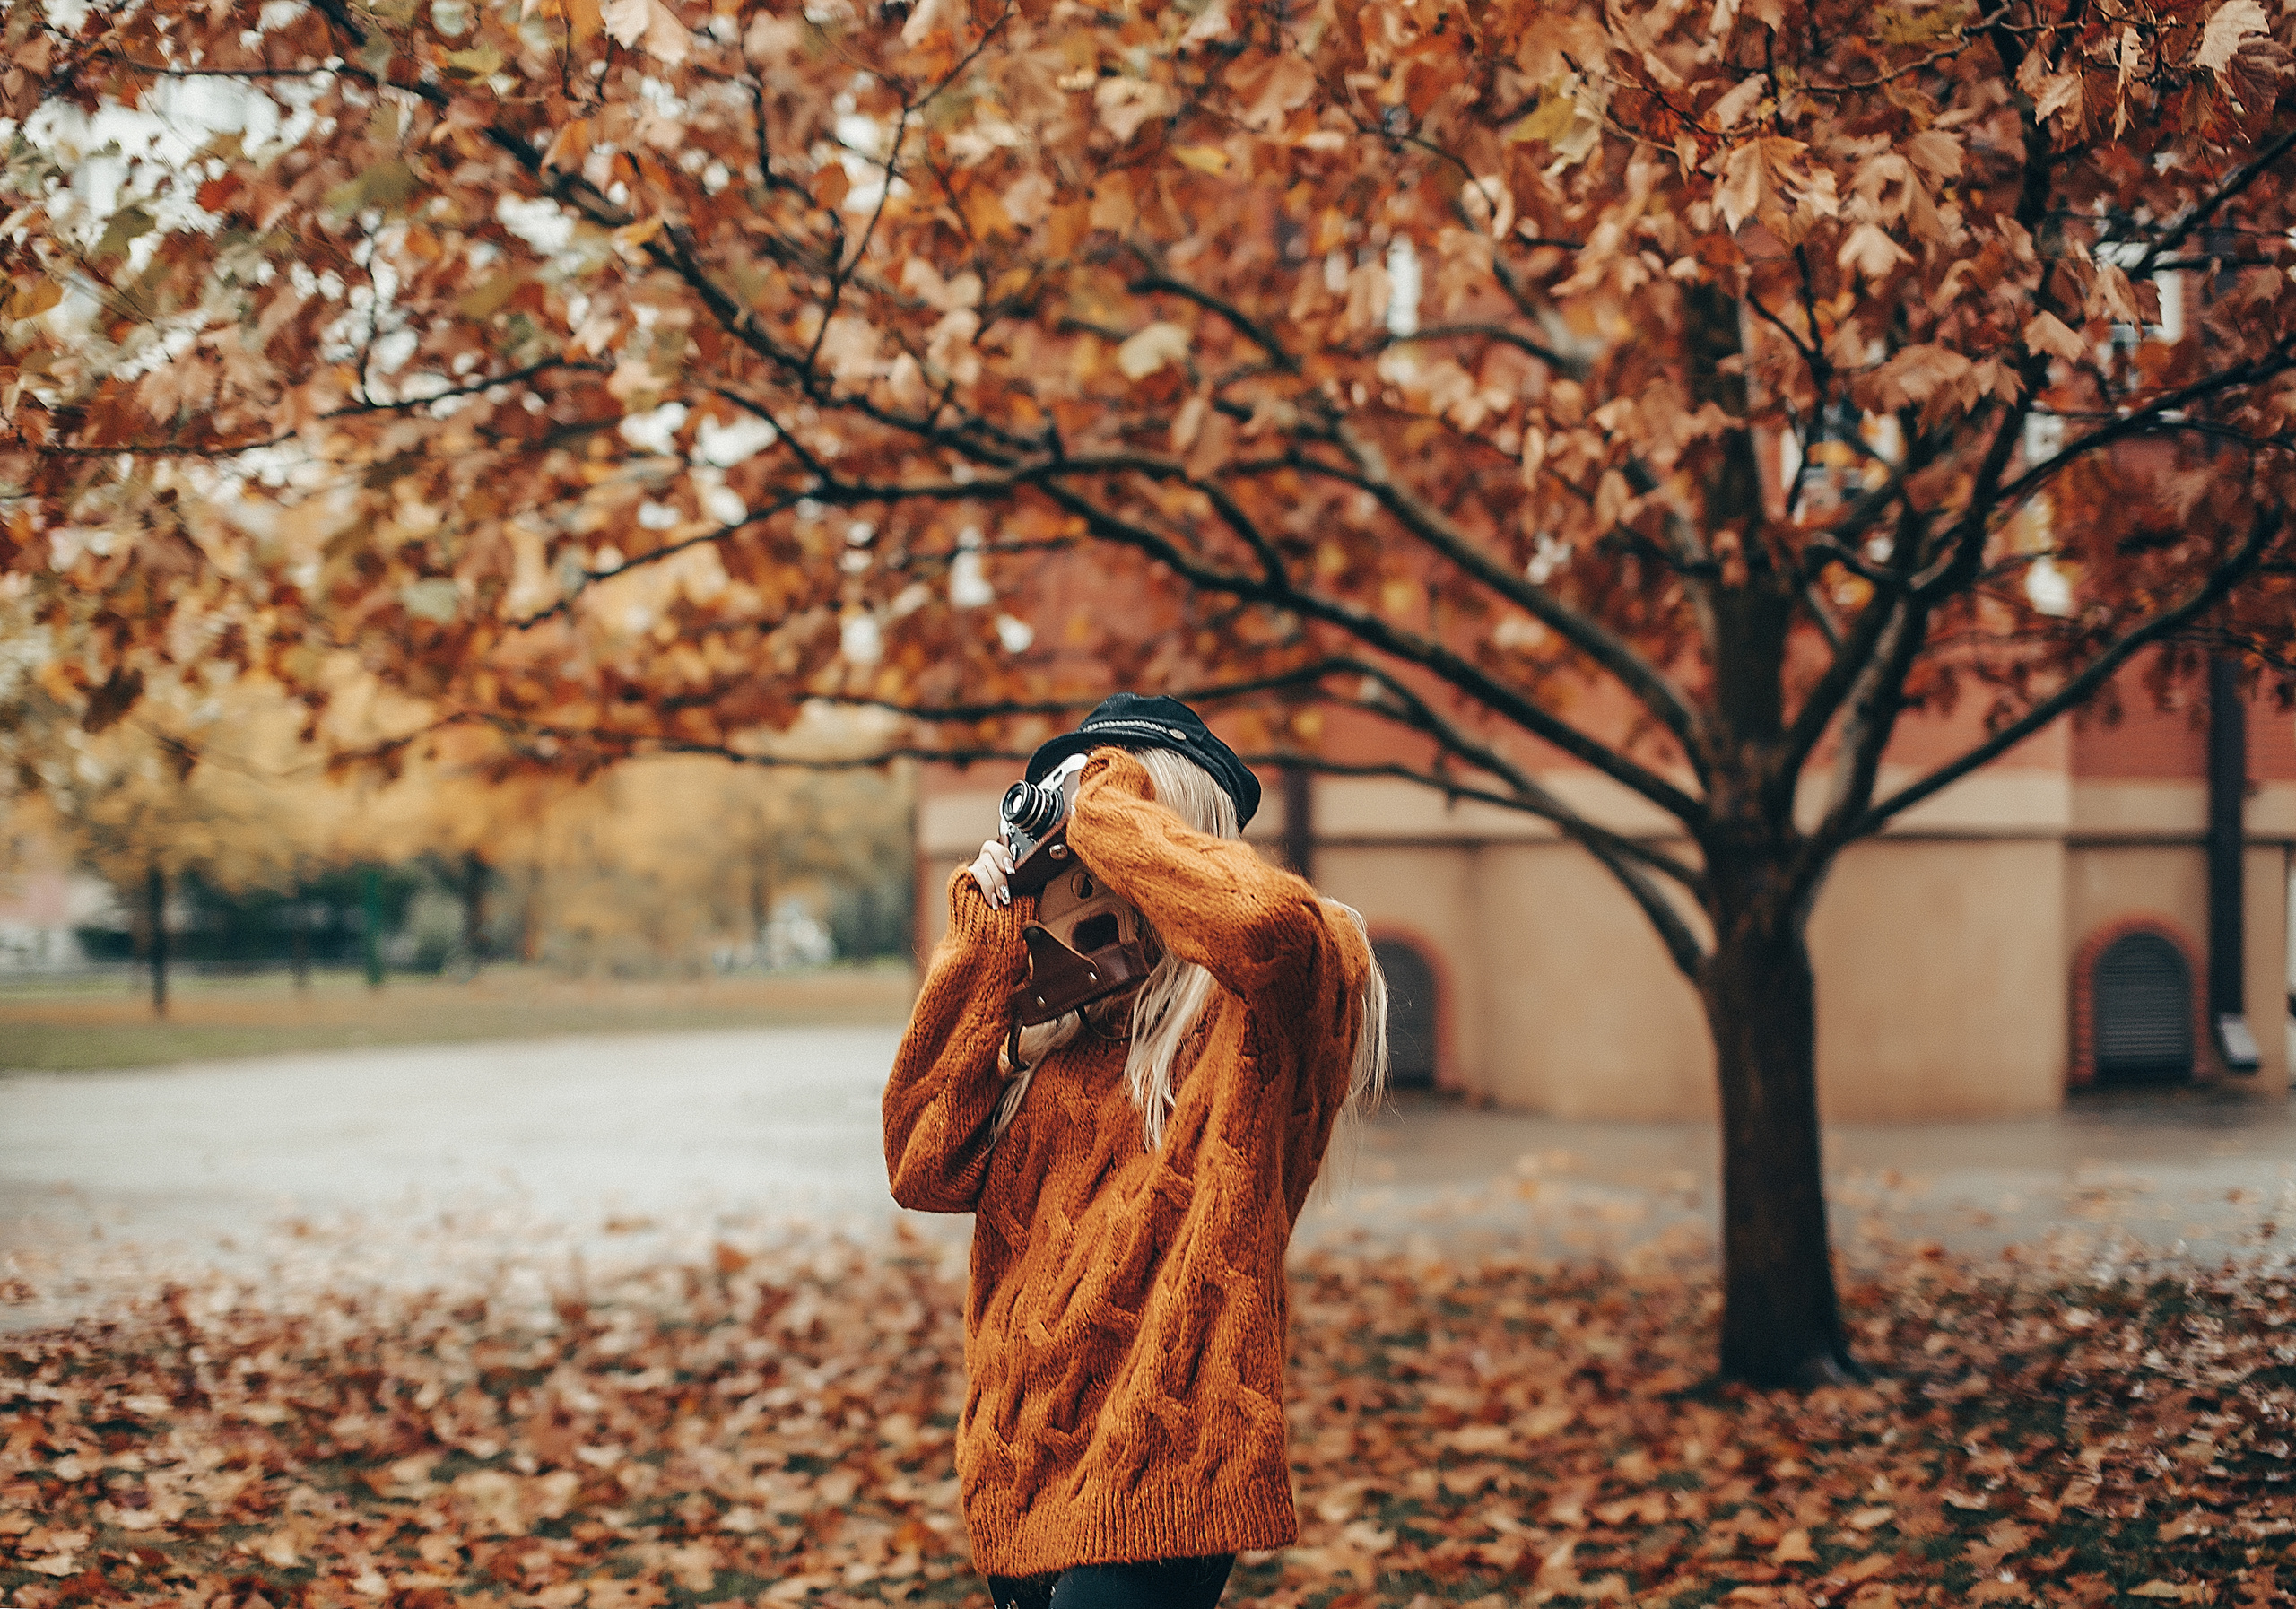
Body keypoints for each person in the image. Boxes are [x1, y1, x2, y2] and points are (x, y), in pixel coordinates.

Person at [883, 693, 1388, 1609]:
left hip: (1166, 1454)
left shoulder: (1268, 1001)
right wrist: (984, 941)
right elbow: (921, 1165)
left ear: (1158, 821)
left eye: (1101, 818)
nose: (1079, 852)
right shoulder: (1059, 1032)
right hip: (1020, 1451)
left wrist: (1103, 802)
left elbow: (1263, 927)